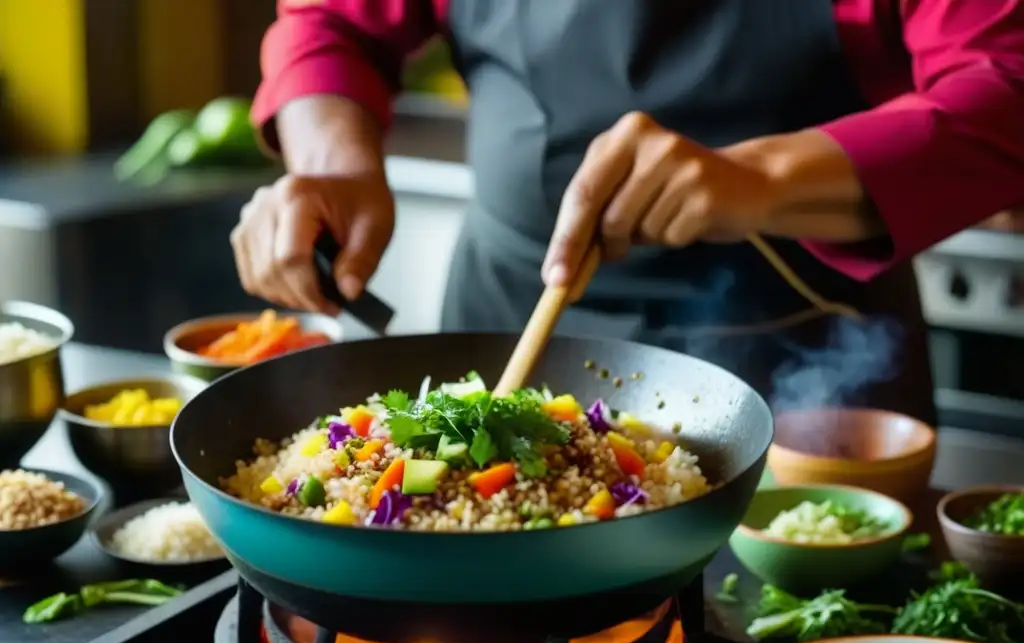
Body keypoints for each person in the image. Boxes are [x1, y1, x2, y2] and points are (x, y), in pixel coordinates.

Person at [230, 1, 1024, 425]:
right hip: (509, 312)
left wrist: (759, 175)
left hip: (814, 350)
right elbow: (331, 19)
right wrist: (332, 164)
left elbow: (1007, 85)